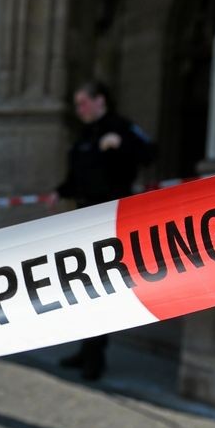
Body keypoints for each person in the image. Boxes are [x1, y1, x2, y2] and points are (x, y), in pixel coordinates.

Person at [55, 80, 151, 380]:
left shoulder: (121, 127)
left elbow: (149, 152)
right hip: (84, 217)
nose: (79, 109)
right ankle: (86, 349)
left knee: (103, 289)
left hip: (110, 219)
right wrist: (59, 192)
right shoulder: (84, 135)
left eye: (83, 102)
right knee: (84, 287)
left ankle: (96, 357)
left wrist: (122, 145)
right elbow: (76, 175)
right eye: (77, 104)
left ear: (100, 101)